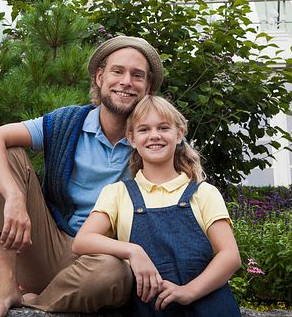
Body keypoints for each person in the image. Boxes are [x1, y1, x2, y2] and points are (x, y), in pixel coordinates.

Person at [0, 36, 164, 317]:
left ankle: (33, 304)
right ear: (99, 76)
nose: (126, 81)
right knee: (7, 154)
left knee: (113, 270)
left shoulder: (156, 139)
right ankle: (6, 285)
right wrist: (14, 197)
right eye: (118, 71)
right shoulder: (67, 122)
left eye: (137, 75)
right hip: (47, 246)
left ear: (148, 87)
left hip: (104, 259)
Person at [72, 95, 242, 316]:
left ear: (179, 134)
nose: (154, 136)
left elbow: (230, 256)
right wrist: (133, 251)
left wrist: (188, 292)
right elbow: (82, 241)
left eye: (163, 128)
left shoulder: (204, 193)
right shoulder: (118, 193)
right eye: (144, 130)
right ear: (131, 139)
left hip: (207, 306)